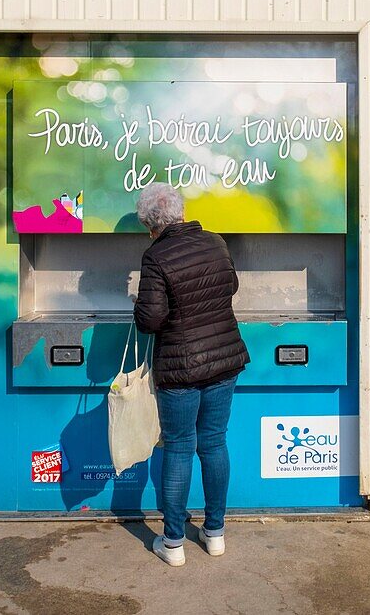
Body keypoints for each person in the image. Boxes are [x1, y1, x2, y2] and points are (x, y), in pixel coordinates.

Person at [133, 182, 250, 567]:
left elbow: (150, 321)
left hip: (181, 369)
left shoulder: (155, 255)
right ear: (181, 213)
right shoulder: (215, 241)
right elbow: (229, 286)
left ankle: (173, 544)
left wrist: (139, 299)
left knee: (180, 448)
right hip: (223, 360)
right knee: (214, 444)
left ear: (151, 224)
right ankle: (215, 534)